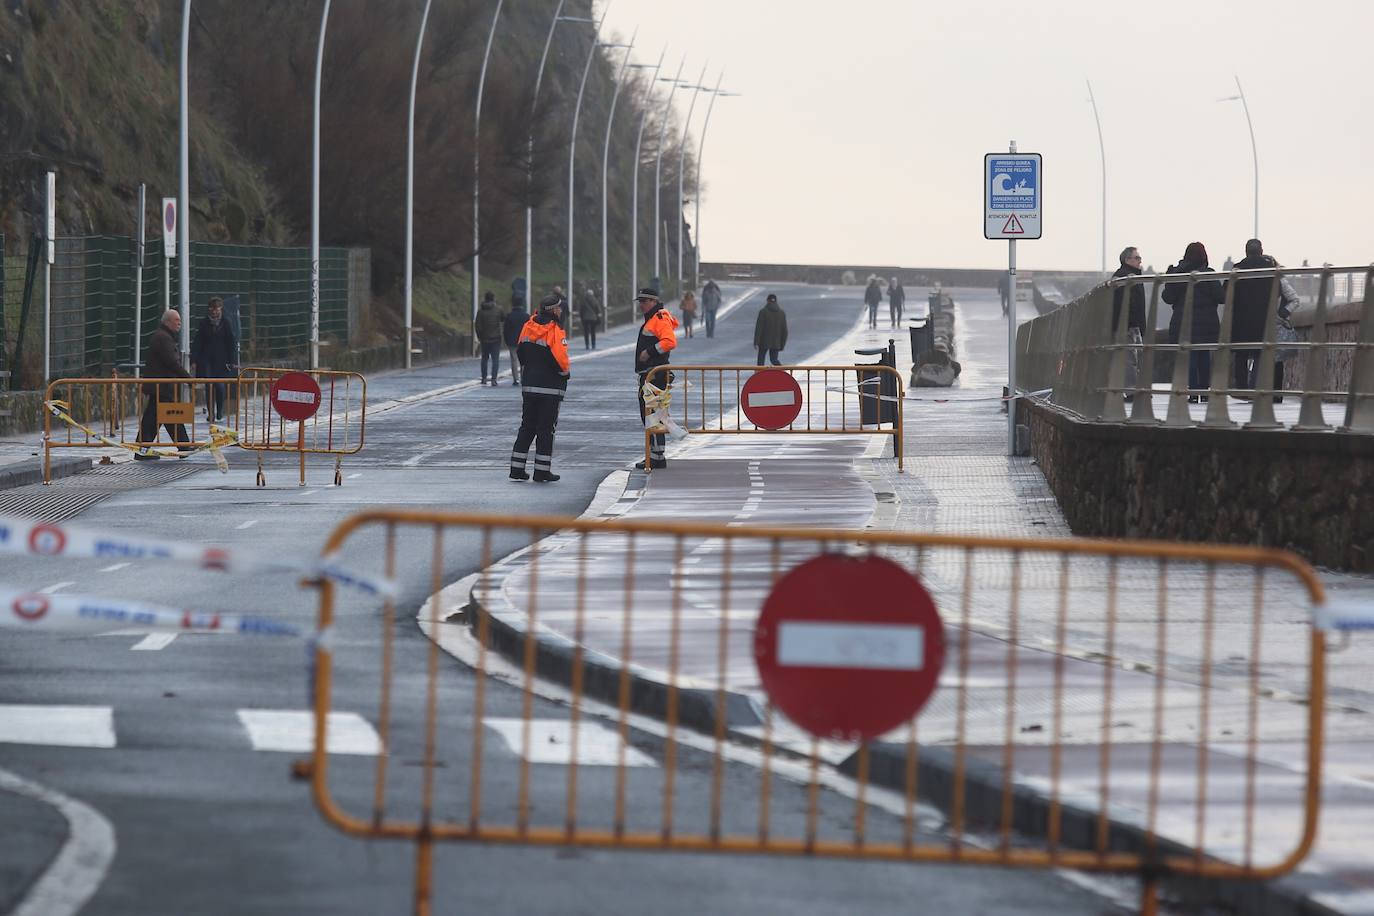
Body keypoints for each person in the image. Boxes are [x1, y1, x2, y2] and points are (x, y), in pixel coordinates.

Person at [509, 294, 570, 483]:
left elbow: (520, 352)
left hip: (529, 385)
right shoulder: (555, 330)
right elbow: (561, 360)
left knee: (527, 426)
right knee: (546, 429)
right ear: (553, 310)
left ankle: (517, 469)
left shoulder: (528, 326)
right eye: (559, 308)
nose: (561, 311)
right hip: (550, 388)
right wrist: (565, 374)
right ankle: (542, 471)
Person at [1229, 239, 1299, 396]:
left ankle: (1241, 389)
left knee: (1242, 353)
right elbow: (1290, 296)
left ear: (1246, 251)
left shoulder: (1238, 268)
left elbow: (1227, 292)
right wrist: (1281, 313)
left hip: (1242, 318)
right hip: (1264, 317)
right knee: (1261, 353)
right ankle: (1257, 389)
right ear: (1261, 250)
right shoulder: (1272, 270)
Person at [1161, 242, 1224, 402]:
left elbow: (1168, 298)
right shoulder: (1208, 274)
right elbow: (1220, 297)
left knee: (1189, 356)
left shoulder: (1179, 273)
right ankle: (1204, 392)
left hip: (1183, 321)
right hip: (1207, 322)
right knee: (1203, 355)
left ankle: (1192, 392)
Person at [136, 309, 192, 459]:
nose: (179, 323)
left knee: (167, 415)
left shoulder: (164, 336)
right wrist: (188, 378)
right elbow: (172, 362)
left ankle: (183, 445)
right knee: (163, 415)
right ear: (167, 321)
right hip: (161, 385)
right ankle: (143, 449)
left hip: (162, 386)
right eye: (176, 320)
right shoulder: (163, 338)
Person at [633, 287, 678, 470]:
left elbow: (670, 342)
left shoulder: (658, 319)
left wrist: (649, 352)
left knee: (652, 415)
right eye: (640, 302)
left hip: (655, 375)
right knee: (652, 415)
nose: (641, 305)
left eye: (644, 301)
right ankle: (655, 454)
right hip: (651, 375)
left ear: (653, 301)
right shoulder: (653, 319)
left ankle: (657, 456)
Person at [190, 295, 236, 421]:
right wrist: (194, 360)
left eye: (217, 309)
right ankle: (211, 413)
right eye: (212, 309)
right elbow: (198, 342)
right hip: (207, 360)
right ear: (209, 309)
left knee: (220, 386)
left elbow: (231, 342)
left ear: (221, 309)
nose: (215, 312)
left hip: (221, 361)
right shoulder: (204, 323)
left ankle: (219, 409)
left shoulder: (226, 322)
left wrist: (232, 361)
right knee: (209, 387)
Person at [1110, 247, 1148, 398]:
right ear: (1127, 260)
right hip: (1128, 325)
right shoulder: (1124, 278)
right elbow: (1125, 305)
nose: (1140, 260)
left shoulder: (1129, 276)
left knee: (1134, 359)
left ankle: (1136, 390)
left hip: (1133, 325)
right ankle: (1132, 392)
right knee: (1131, 360)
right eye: (1137, 257)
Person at [474, 291, 504, 385]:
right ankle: (494, 379)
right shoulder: (498, 310)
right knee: (495, 360)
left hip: (484, 339)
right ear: (493, 299)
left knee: (484, 359)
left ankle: (484, 378)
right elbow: (503, 319)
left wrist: (480, 337)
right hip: (496, 338)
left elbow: (477, 325)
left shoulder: (480, 311)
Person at [753, 293, 788, 366]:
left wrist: (756, 342)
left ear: (767, 301)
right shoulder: (781, 313)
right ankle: (783, 372)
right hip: (776, 342)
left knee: (761, 360)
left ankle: (760, 376)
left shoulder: (763, 312)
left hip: (764, 341)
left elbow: (759, 328)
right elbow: (784, 331)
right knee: (774, 360)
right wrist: (782, 345)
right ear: (776, 301)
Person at [502, 296, 528, 386]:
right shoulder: (526, 316)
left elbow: (505, 329)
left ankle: (515, 379)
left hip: (512, 341)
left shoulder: (509, 316)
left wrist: (506, 340)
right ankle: (523, 378)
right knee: (523, 360)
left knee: (514, 360)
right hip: (524, 341)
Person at [577, 284, 602, 351]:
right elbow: (598, 309)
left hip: (585, 318)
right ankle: (593, 345)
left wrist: (581, 317)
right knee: (593, 332)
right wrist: (598, 315)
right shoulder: (595, 300)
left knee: (586, 332)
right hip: (593, 318)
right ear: (592, 294)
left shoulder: (583, 301)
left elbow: (581, 310)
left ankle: (587, 345)